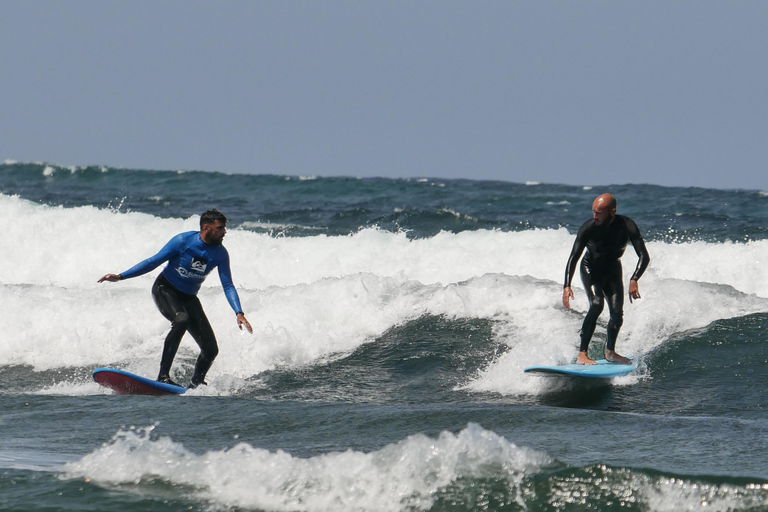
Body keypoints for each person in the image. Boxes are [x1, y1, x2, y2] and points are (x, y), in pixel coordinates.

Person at [99, 209, 253, 388]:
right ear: (206, 228)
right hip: (165, 289)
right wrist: (121, 276)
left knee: (211, 350)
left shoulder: (220, 253)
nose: (224, 232)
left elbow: (228, 285)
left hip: (189, 297)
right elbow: (152, 261)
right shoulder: (183, 241)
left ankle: (196, 385)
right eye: (220, 228)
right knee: (181, 320)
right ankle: (163, 376)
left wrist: (239, 312)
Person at [562, 194, 650, 365]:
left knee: (617, 314)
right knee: (597, 304)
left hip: (612, 270)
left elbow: (644, 256)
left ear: (612, 211)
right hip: (590, 269)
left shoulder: (627, 226)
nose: (595, 216)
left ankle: (610, 352)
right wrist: (567, 285)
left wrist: (634, 279)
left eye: (599, 213)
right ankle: (582, 354)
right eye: (593, 212)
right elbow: (574, 257)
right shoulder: (589, 227)